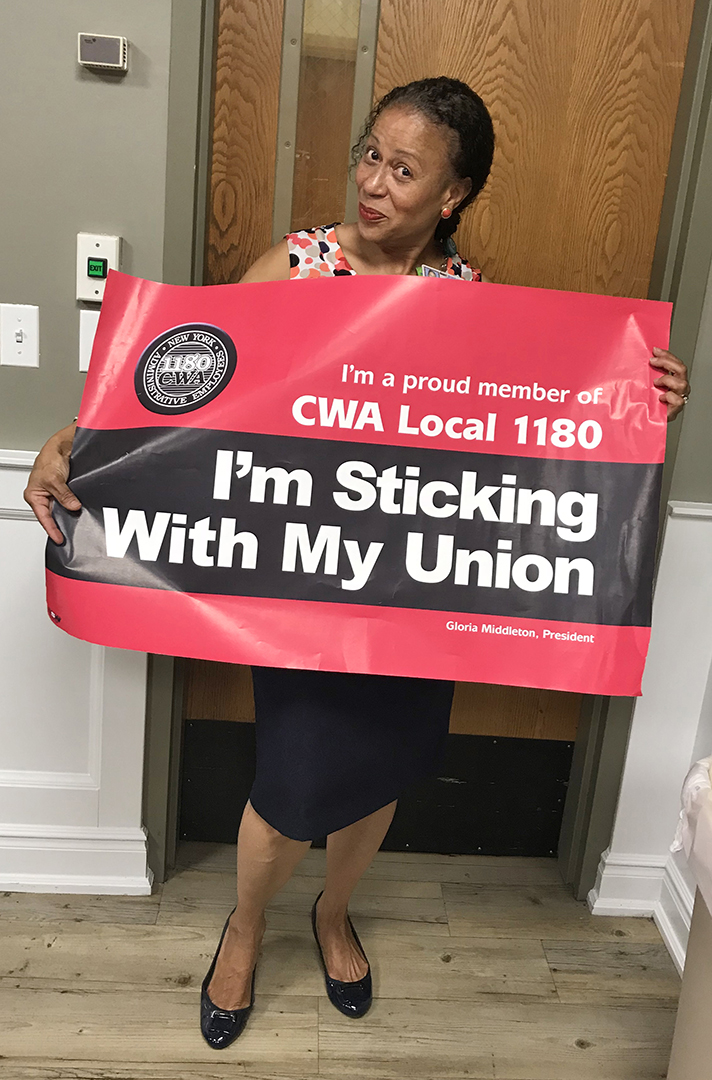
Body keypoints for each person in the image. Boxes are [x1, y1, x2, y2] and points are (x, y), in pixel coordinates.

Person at [24, 77, 690, 1050]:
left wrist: (635, 392)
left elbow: (539, 431)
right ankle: (245, 926)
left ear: (453, 196)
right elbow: (173, 387)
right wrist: (69, 442)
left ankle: (332, 913)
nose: (373, 183)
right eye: (370, 155)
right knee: (289, 785)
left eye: (404, 170)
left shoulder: (471, 305)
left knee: (380, 775)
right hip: (300, 590)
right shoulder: (295, 266)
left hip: (410, 601)